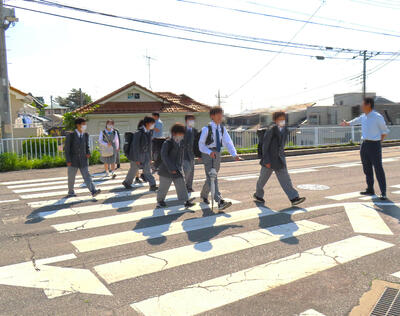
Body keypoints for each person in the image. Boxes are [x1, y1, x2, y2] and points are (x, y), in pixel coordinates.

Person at [341, 97, 389, 200]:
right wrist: (347, 123)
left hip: (374, 145)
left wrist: (378, 143)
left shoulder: (377, 117)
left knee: (378, 168)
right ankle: (370, 189)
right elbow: (354, 121)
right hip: (364, 144)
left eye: (363, 104)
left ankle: (383, 192)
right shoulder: (364, 116)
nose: (361, 106)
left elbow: (384, 132)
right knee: (366, 168)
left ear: (368, 105)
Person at [253, 111, 305, 206]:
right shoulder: (271, 130)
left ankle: (294, 198)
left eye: (283, 119)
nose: (282, 121)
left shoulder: (285, 130)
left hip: (280, 159)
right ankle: (258, 195)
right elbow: (265, 146)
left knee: (286, 179)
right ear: (275, 120)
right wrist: (267, 161)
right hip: (269, 159)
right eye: (280, 119)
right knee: (262, 179)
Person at [199, 106, 240, 211]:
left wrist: (234, 154)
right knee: (213, 177)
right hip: (208, 153)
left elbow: (228, 142)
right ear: (212, 116)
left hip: (217, 153)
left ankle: (204, 194)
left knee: (212, 176)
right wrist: (209, 152)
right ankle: (220, 201)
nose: (220, 116)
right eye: (218, 114)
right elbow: (201, 145)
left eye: (221, 114)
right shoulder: (206, 129)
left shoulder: (222, 128)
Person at [157, 123, 196, 208]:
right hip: (166, 170)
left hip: (177, 169)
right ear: (174, 133)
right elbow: (164, 156)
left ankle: (186, 201)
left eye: (183, 133)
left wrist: (180, 167)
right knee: (163, 187)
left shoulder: (181, 143)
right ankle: (160, 201)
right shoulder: (167, 143)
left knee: (181, 185)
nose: (182, 135)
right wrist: (171, 168)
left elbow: (181, 156)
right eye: (180, 133)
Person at [65, 117, 101, 198]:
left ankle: (93, 191)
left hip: (83, 159)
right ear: (78, 125)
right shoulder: (71, 135)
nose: (85, 126)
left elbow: (86, 146)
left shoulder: (85, 135)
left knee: (87, 176)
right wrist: (68, 160)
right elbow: (66, 149)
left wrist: (88, 153)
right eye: (83, 124)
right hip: (72, 160)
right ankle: (71, 192)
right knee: (71, 177)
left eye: (85, 124)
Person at [122, 116, 158, 191]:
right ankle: (127, 182)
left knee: (147, 170)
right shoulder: (138, 133)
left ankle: (153, 185)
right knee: (133, 170)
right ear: (147, 124)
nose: (153, 125)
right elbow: (135, 147)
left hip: (146, 156)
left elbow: (150, 146)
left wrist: (150, 157)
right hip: (136, 156)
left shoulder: (149, 132)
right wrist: (136, 159)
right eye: (152, 123)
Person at [183, 114, 197, 193]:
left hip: (191, 154)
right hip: (183, 154)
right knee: (187, 170)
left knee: (191, 171)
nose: (192, 121)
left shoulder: (195, 131)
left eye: (193, 119)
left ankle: (189, 187)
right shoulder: (182, 130)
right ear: (186, 121)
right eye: (190, 119)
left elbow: (197, 143)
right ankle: (184, 186)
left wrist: (198, 154)